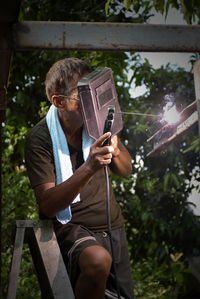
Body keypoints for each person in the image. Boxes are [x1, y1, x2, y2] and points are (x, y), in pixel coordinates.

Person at [25, 57, 134, 299]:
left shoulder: (97, 120)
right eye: (81, 95)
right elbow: (48, 204)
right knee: (97, 261)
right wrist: (89, 167)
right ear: (59, 101)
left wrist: (114, 149)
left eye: (91, 92)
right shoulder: (40, 138)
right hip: (70, 226)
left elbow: (125, 171)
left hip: (113, 227)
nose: (89, 103)